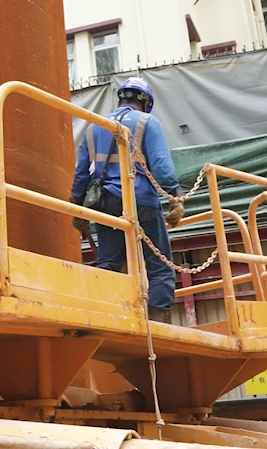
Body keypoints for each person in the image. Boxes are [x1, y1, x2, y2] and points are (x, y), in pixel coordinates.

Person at [70, 78, 184, 322]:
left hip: (107, 202)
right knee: (159, 264)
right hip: (141, 201)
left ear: (120, 98)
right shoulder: (147, 122)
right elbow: (161, 165)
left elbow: (81, 173)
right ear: (146, 102)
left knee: (108, 262)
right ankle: (158, 322)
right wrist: (175, 196)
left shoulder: (94, 126)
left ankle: (103, 317)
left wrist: (78, 209)